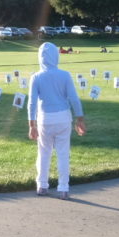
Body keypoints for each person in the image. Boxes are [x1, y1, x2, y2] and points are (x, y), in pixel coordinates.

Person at [27, 41, 86, 199]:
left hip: (45, 118)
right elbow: (74, 98)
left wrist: (31, 124)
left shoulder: (36, 77)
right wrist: (79, 118)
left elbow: (32, 103)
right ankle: (63, 188)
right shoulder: (64, 75)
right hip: (63, 118)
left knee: (44, 153)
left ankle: (42, 185)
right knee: (63, 153)